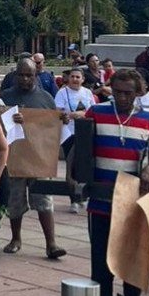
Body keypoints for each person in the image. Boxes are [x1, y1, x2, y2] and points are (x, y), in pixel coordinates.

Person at [84, 68, 149, 296]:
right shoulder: (96, 113)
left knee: (134, 265)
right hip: (102, 201)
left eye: (128, 92)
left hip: (133, 201)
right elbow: (80, 145)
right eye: (117, 91)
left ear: (138, 92)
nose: (122, 97)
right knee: (101, 269)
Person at [1, 58, 65, 259]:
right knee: (15, 202)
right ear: (15, 75)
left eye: (29, 75)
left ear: (35, 75)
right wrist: (11, 118)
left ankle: (51, 243)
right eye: (21, 75)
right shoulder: (5, 97)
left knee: (44, 202)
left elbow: (52, 128)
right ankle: (16, 238)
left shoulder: (46, 98)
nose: (25, 79)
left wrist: (60, 119)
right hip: (15, 158)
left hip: (39, 158)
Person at [54, 65, 95, 213]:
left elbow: (92, 111)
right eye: (72, 77)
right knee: (71, 165)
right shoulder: (62, 92)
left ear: (83, 79)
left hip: (84, 132)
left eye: (78, 77)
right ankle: (73, 199)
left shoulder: (87, 93)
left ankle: (83, 195)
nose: (75, 79)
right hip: (68, 133)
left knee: (83, 165)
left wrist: (82, 114)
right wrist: (70, 116)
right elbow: (58, 112)